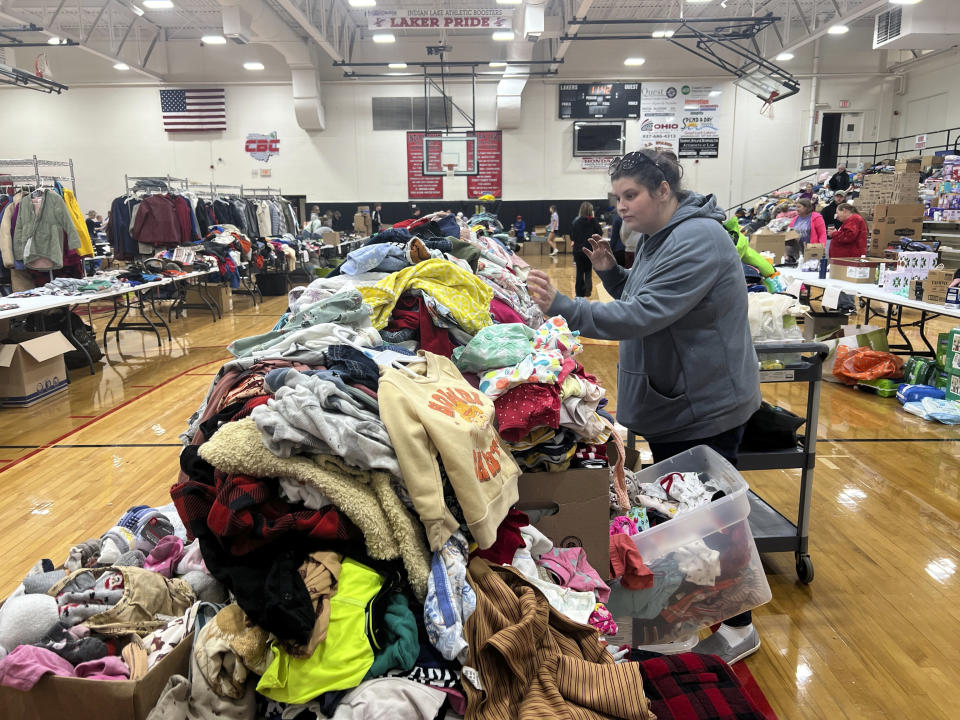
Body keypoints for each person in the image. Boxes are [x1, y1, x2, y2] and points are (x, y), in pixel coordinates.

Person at [526, 148, 762, 664]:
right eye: (616, 198)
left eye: (629, 195)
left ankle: (739, 627)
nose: (621, 208)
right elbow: (649, 293)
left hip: (704, 402)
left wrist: (564, 307)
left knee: (710, 522)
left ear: (662, 191)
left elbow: (648, 312)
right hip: (683, 395)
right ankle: (694, 617)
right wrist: (613, 274)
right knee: (690, 516)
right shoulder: (663, 236)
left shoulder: (698, 238)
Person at [569, 201, 603, 297]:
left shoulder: (576, 221)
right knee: (588, 270)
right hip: (589, 250)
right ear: (590, 211)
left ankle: (579, 292)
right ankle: (588, 288)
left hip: (578, 250)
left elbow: (572, 236)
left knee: (579, 272)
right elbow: (600, 233)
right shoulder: (593, 221)